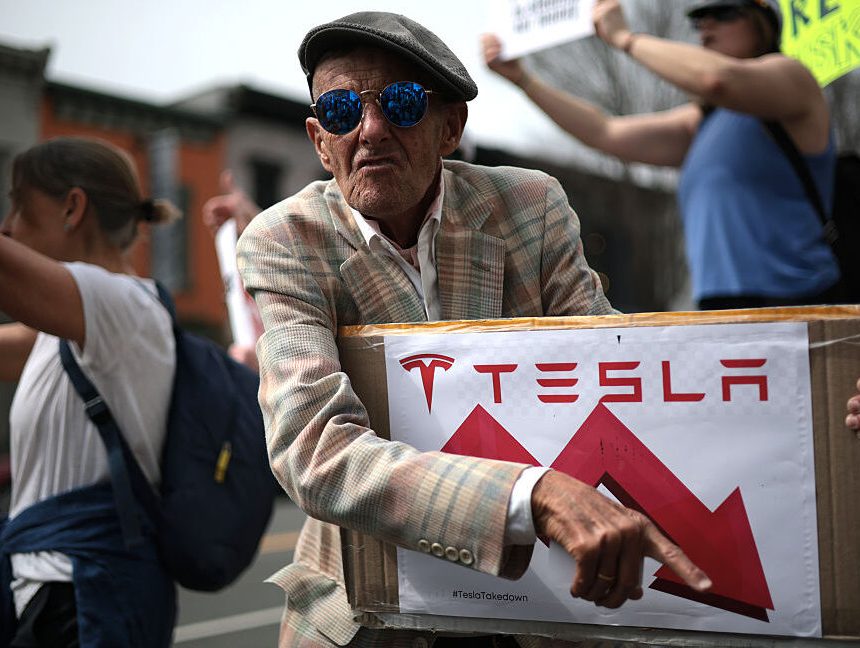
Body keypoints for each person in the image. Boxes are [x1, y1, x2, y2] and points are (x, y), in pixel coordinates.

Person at [236, 11, 713, 647]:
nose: (371, 129)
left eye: (402, 104)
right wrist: (529, 496)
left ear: (451, 127)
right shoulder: (285, 241)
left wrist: (806, 389)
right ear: (322, 141)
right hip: (370, 602)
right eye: (343, 109)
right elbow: (314, 449)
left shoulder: (529, 209)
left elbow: (619, 371)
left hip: (535, 602)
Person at [483, 0, 844, 310]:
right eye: (700, 19)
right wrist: (524, 81)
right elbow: (603, 132)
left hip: (801, 302)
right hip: (724, 312)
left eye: (723, 12)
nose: (706, 26)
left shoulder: (793, 77)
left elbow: (716, 80)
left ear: (763, 24)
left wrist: (625, 38)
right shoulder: (703, 123)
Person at [0, 137, 178, 647]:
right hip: (60, 592)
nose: (9, 226)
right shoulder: (68, 328)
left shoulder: (121, 304)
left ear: (72, 209)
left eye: (19, 204)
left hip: (81, 599)